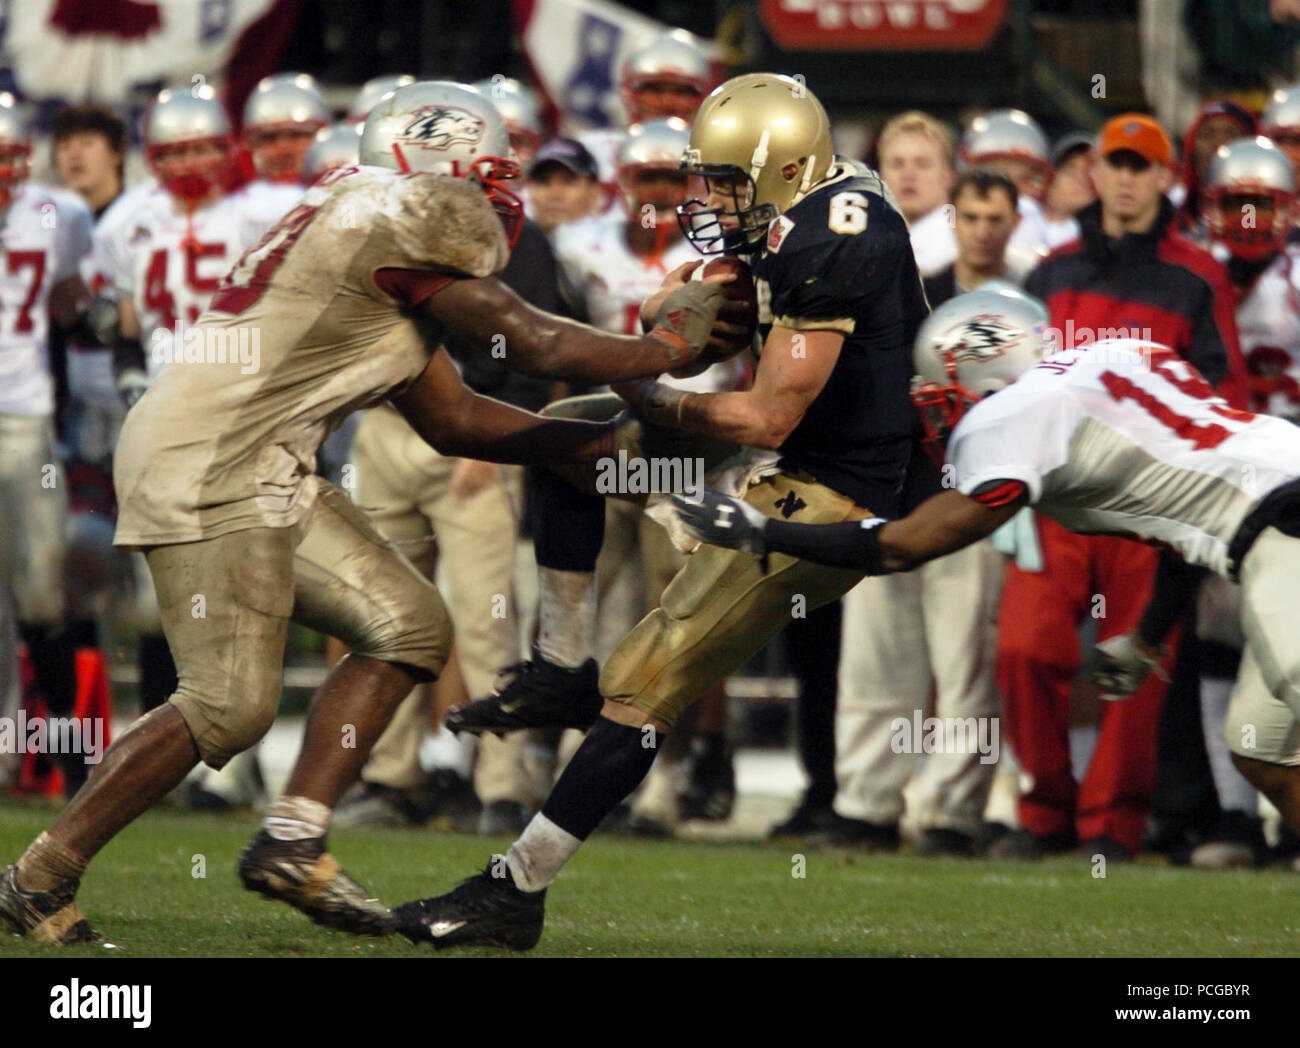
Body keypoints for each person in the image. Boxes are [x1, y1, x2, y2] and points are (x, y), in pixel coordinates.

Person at [0, 80, 736, 946]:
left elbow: (454, 418)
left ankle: (293, 838)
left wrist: (586, 444)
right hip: (212, 464)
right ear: (437, 171)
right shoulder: (394, 215)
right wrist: (667, 352)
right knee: (228, 704)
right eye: (487, 178)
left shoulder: (364, 225)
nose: (500, 201)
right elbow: (532, 340)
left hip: (255, 459)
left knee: (410, 625)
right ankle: (38, 880)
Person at [397, 72, 929, 951]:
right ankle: (560, 666)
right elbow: (675, 298)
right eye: (708, 180)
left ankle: (515, 889)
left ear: (787, 171)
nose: (711, 200)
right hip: (783, 451)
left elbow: (767, 413)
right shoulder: (797, 212)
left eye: (727, 183)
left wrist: (648, 390)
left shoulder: (842, 236)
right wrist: (678, 316)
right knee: (566, 441)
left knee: (650, 675)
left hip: (838, 486)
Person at [673, 284, 1300, 874]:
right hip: (1272, 510)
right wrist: (1147, 636)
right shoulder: (1117, 351)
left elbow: (904, 546)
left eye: (941, 397)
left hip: (1283, 533)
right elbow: (1183, 524)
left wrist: (762, 532)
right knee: (1262, 748)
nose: (940, 419)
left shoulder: (1008, 417)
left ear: (975, 374)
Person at [991, 111, 1247, 861]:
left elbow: (1224, 395)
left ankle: (1111, 826)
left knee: (1135, 659)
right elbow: (1014, 382)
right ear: (1093, 173)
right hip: (1058, 497)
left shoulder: (1197, 278)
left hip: (1149, 506)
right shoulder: (1049, 271)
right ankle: (1043, 814)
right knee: (1023, 650)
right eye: (1117, 164)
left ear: (1166, 178)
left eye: (1143, 166)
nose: (1128, 179)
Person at [822, 167, 1021, 854]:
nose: (983, 230)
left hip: (977, 505)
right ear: (953, 219)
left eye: (996, 218)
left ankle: (950, 812)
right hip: (898, 489)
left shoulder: (1032, 301)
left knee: (966, 664)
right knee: (876, 660)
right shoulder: (916, 290)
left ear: (1015, 222)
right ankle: (865, 801)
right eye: (971, 216)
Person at [0, 94, 96, 799]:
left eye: (11, 159)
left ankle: (70, 757)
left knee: (43, 597)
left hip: (25, 419)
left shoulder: (58, 214)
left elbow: (70, 302)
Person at [876, 110, 957, 278]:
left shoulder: (962, 241)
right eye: (897, 164)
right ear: (880, 176)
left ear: (948, 176)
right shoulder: (866, 236)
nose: (908, 175)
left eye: (922, 164)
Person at [525, 138, 603, 236]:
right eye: (543, 181)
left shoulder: (618, 245)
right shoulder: (509, 242)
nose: (554, 195)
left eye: (568, 182)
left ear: (595, 192)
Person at [1041, 132, 1093, 250]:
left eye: (1088, 173)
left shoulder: (1092, 246)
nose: (1081, 179)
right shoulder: (1020, 212)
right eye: (1071, 170)